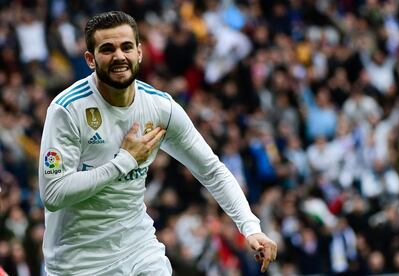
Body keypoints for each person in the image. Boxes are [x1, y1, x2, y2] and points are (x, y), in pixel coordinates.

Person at [38, 11, 277, 275]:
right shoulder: (67, 110)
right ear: (90, 59)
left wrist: (250, 227)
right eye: (107, 49)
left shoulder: (160, 107)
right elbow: (53, 194)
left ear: (140, 52)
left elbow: (211, 170)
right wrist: (125, 162)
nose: (119, 56)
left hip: (138, 249)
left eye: (126, 47)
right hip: (78, 261)